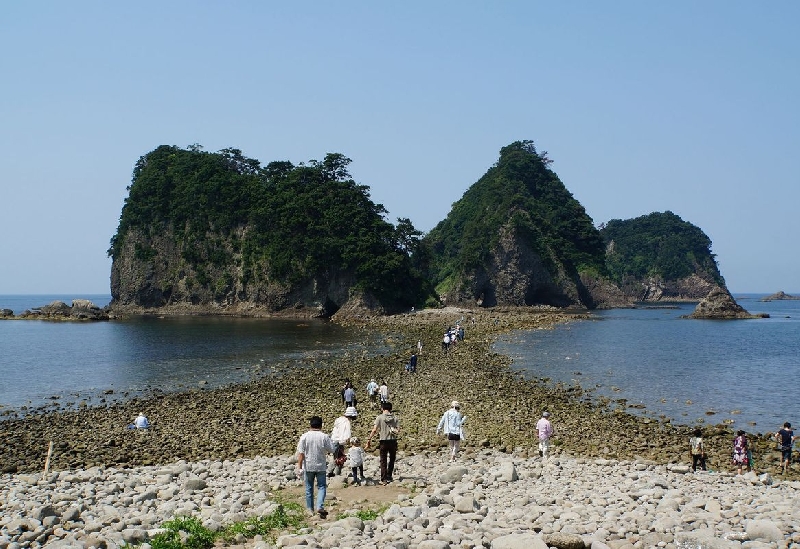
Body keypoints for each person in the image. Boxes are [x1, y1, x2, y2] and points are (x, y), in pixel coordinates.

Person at [296, 415, 335, 518]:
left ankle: (310, 509)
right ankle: (319, 506)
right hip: (321, 466)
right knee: (322, 486)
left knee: (309, 488)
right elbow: (332, 450)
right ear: (321, 425)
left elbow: (301, 453)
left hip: (308, 466)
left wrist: (299, 467)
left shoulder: (304, 436)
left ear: (310, 425)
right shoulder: (324, 436)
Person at [365, 401, 399, 484]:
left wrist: (369, 439)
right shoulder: (395, 418)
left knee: (383, 460)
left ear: (382, 408)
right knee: (392, 459)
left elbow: (374, 430)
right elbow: (398, 430)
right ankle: (389, 476)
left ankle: (383, 479)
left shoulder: (379, 417)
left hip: (383, 441)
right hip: (393, 440)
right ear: (391, 409)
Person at [327, 406, 357, 477]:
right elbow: (345, 434)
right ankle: (332, 473)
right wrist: (347, 442)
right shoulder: (346, 422)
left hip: (333, 440)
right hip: (339, 442)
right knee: (340, 459)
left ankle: (332, 473)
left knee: (336, 458)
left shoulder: (339, 419)